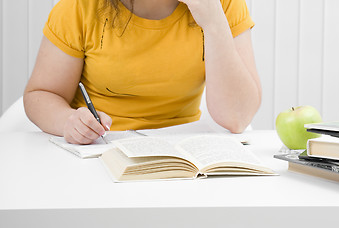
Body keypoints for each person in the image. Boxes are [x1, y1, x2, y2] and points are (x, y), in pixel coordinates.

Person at [23, 0, 261, 144]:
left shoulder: (223, 4)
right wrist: (68, 122)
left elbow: (237, 118)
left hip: (183, 147)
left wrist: (213, 21)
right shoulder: (80, 7)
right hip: (101, 145)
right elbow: (41, 94)